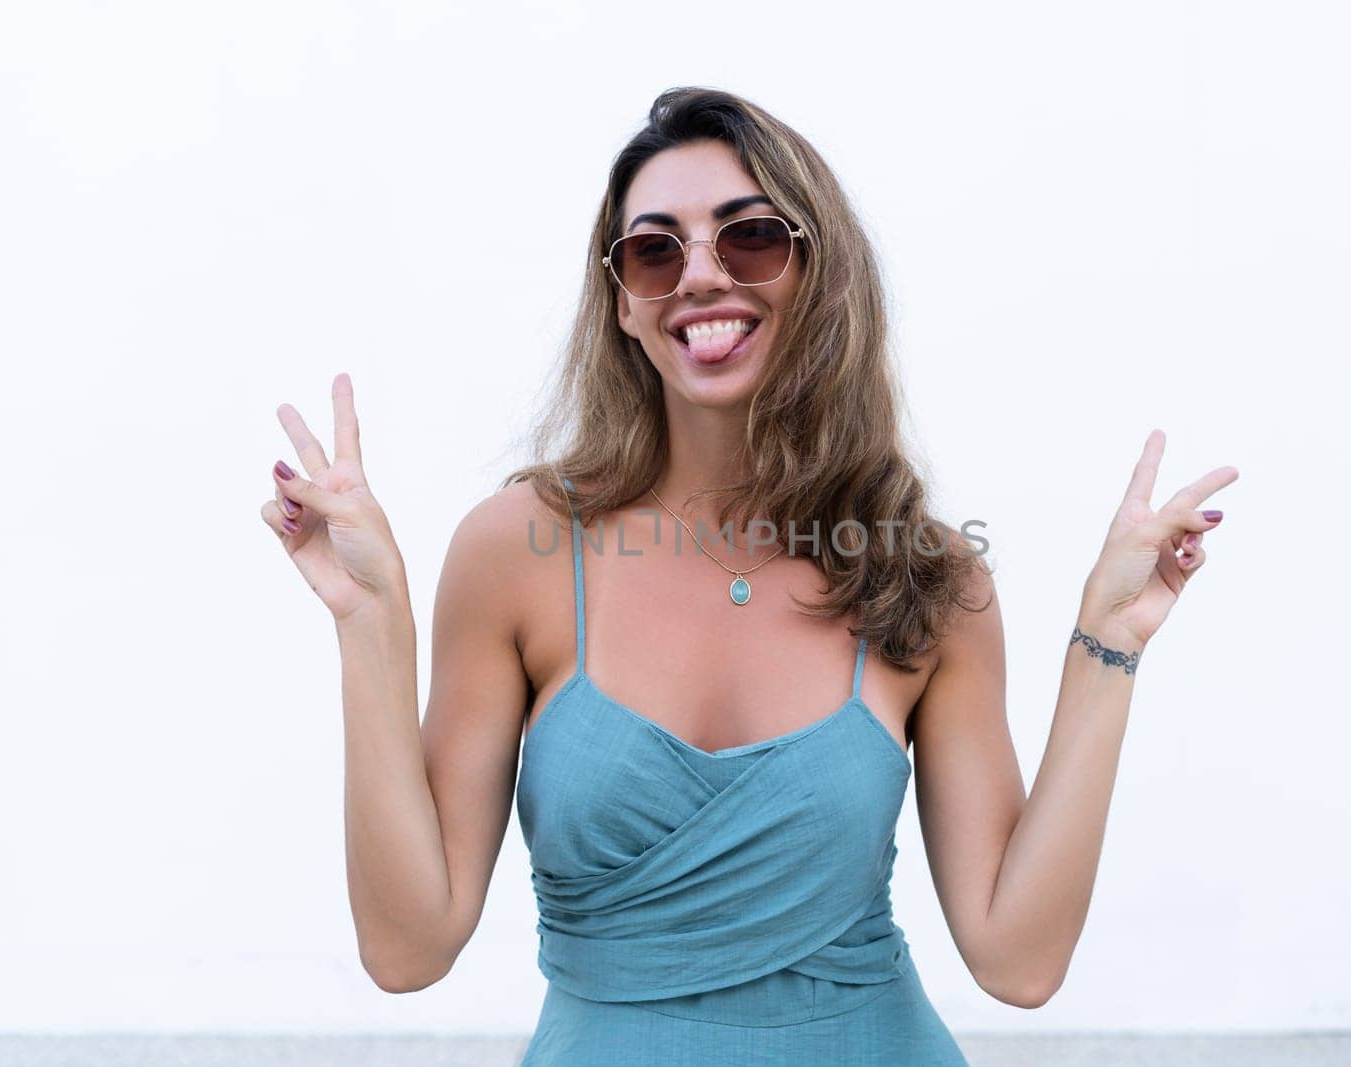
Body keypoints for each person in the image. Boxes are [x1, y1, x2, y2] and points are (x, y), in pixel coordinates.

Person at [260, 86, 1238, 1065]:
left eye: (752, 238)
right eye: (655, 250)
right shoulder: (514, 550)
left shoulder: (925, 576)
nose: (700, 275)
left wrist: (1108, 639)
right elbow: (406, 948)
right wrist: (369, 621)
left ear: (817, 270)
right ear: (623, 304)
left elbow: (1017, 963)